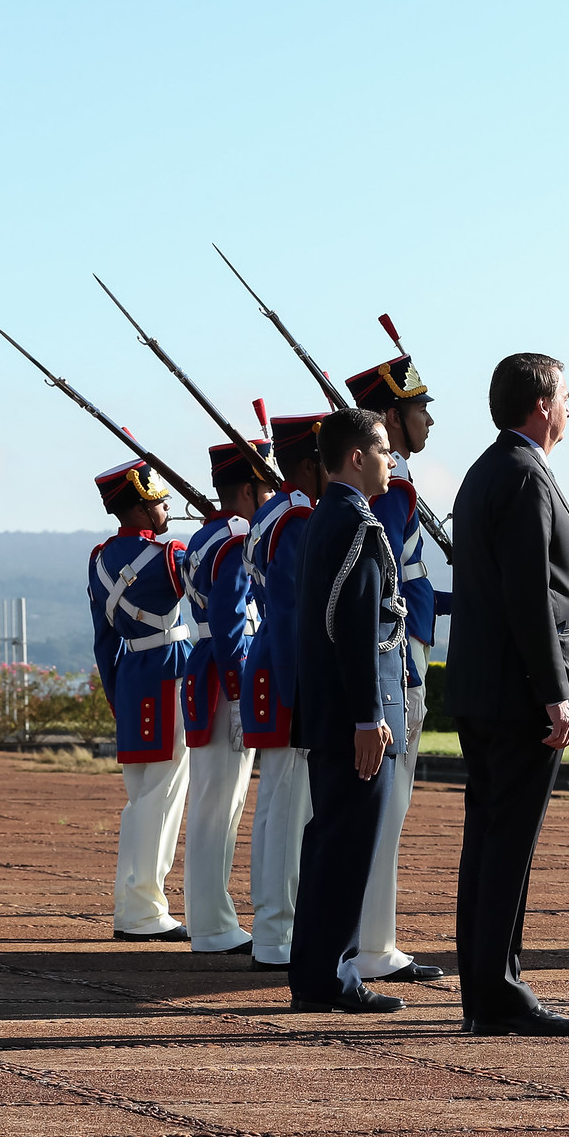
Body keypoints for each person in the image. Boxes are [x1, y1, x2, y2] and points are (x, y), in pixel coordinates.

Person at [448, 353, 569, 1037]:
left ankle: (486, 988)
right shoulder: (526, 476)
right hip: (518, 695)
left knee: (489, 843)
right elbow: (531, 596)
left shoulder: (485, 471)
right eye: (565, 395)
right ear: (540, 405)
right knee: (506, 846)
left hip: (485, 688)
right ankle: (496, 992)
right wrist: (554, 693)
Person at [288, 407, 408, 1014]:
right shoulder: (356, 522)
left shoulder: (327, 517)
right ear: (356, 457)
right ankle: (330, 976)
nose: (393, 459)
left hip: (334, 713)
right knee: (346, 846)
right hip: (354, 716)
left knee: (333, 841)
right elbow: (356, 627)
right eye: (384, 448)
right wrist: (369, 717)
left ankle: (317, 972)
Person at [343, 354, 449, 985]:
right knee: (387, 805)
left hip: (397, 656)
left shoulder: (396, 489)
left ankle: (369, 939)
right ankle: (373, 946)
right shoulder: (391, 494)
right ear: (390, 416)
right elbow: (386, 587)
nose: (428, 419)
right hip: (395, 663)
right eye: (418, 409)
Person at [178, 438, 277, 955]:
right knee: (220, 803)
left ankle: (208, 920)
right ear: (248, 490)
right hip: (224, 676)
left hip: (207, 670)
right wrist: (240, 695)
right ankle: (213, 926)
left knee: (214, 801)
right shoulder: (238, 537)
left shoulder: (203, 537)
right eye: (266, 488)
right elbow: (230, 620)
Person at [88, 459, 194, 942]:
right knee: (164, 798)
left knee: (141, 797)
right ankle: (143, 910)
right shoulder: (170, 553)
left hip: (130, 678)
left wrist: (117, 696)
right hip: (170, 671)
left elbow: (103, 640)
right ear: (140, 507)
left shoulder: (99, 559)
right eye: (160, 500)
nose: (168, 507)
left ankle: (134, 906)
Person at [239, 413, 329, 972]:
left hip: (271, 664)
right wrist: (304, 694)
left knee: (275, 805)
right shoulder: (296, 517)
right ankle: (278, 932)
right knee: (289, 806)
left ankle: (272, 927)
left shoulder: (274, 512)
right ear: (306, 464)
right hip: (287, 669)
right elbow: (296, 612)